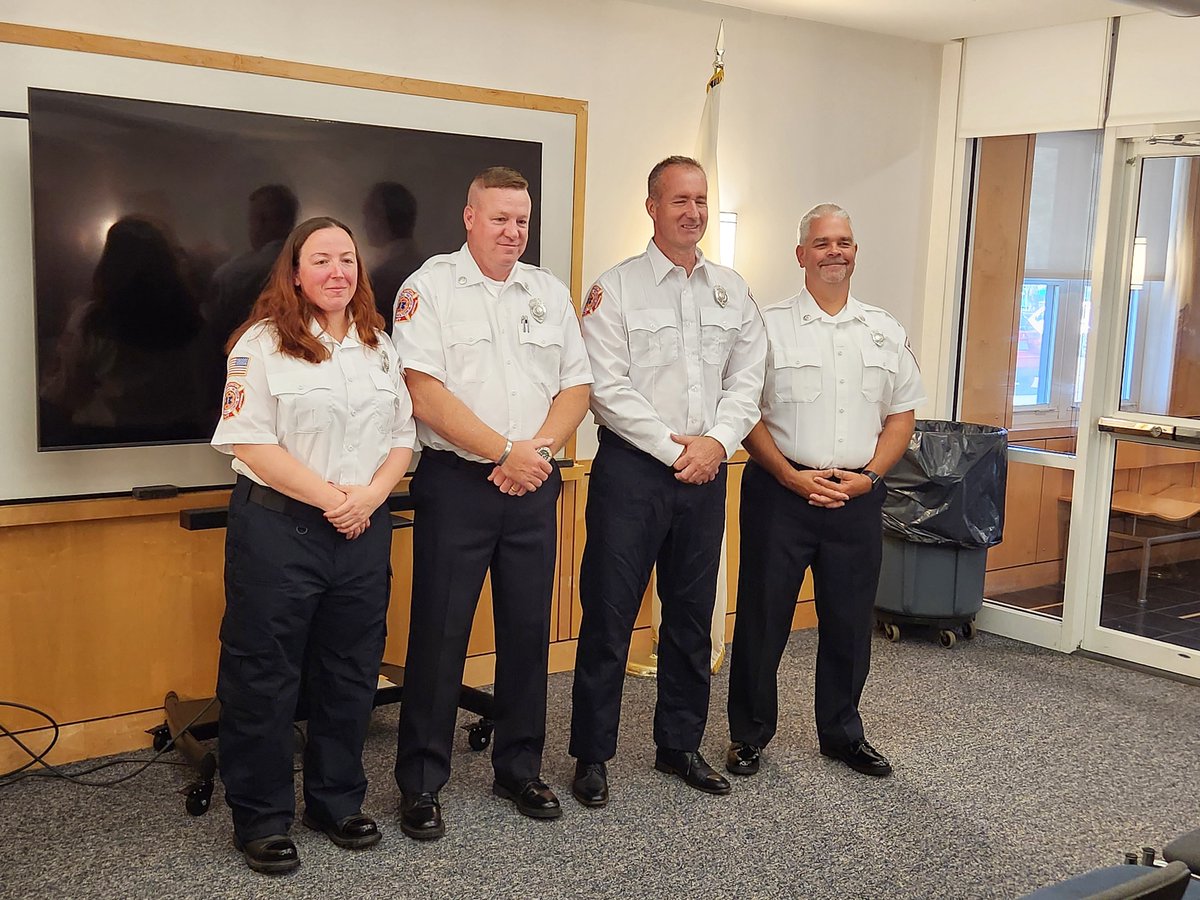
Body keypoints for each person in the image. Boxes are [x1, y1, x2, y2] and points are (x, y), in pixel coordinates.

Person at [390, 166, 592, 838]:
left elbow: (576, 389)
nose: (513, 232)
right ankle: (420, 782)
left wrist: (531, 454)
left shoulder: (547, 292)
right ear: (469, 217)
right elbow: (423, 392)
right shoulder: (428, 288)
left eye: (522, 221)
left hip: (533, 483)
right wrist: (505, 451)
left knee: (529, 632)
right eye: (500, 218)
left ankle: (520, 768)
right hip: (458, 483)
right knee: (440, 634)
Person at [211, 216, 416, 873]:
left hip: (361, 528)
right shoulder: (261, 344)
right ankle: (262, 818)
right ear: (295, 272)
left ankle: (334, 800)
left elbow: (401, 439)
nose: (337, 272)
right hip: (279, 530)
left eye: (347, 260)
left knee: (351, 673)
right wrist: (336, 500)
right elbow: (249, 443)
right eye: (322, 260)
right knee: (263, 678)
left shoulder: (379, 345)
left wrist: (371, 497)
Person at [569, 156, 766, 806]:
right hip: (633, 471)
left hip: (707, 473)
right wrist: (674, 450)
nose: (693, 212)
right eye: (679, 200)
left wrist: (715, 445)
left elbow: (748, 378)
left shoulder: (731, 290)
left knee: (690, 615)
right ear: (651, 207)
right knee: (610, 616)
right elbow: (605, 386)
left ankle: (679, 744)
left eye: (701, 200)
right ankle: (591, 755)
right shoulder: (615, 289)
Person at [725, 203, 925, 780]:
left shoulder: (884, 331)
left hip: (857, 498)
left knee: (848, 621)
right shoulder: (767, 326)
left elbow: (901, 415)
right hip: (781, 492)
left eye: (844, 242)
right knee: (764, 621)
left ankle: (841, 732)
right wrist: (788, 474)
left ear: (855, 252)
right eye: (822, 243)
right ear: (801, 255)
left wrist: (871, 478)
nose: (834, 251)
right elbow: (745, 412)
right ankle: (750, 734)